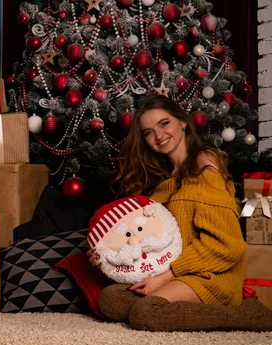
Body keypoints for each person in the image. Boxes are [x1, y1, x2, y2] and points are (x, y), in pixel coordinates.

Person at [87, 95, 272, 332]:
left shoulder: (205, 169)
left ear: (183, 122)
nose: (158, 136)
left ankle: (247, 314)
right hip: (175, 274)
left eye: (164, 123)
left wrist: (167, 276)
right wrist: (106, 252)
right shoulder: (162, 185)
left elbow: (228, 246)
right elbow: (148, 240)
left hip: (210, 276)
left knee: (147, 314)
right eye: (148, 132)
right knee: (111, 300)